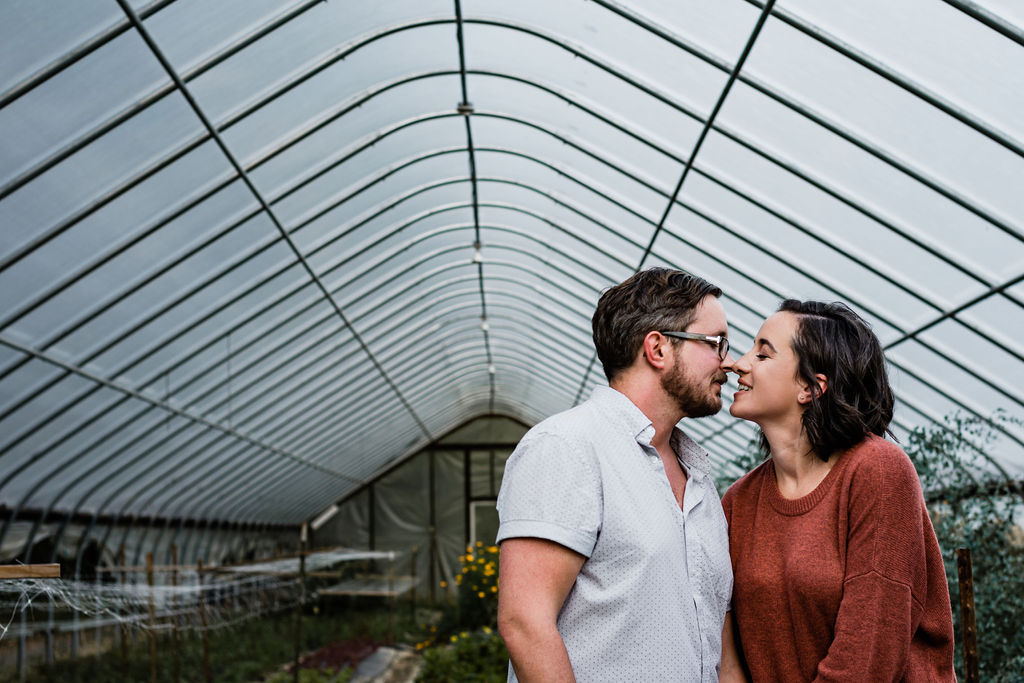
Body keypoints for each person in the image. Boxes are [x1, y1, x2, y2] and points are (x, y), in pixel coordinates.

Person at [495, 267, 738, 682]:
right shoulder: (568, 447)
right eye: (716, 343)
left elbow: (719, 642)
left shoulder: (697, 473)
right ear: (658, 349)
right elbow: (525, 622)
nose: (729, 362)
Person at [720, 300, 956, 682]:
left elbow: (868, 657)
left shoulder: (878, 473)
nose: (738, 364)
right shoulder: (739, 502)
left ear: (811, 388)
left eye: (762, 354)